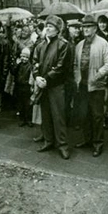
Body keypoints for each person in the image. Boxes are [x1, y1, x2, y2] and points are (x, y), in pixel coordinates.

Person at [73, 14, 108, 157]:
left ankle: (98, 144)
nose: (85, 29)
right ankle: (87, 140)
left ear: (95, 28)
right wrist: (77, 78)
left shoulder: (103, 43)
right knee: (84, 115)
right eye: (84, 27)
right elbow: (75, 65)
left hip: (96, 86)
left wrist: (98, 75)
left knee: (97, 116)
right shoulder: (79, 45)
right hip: (83, 86)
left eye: (89, 27)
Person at [33, 15, 71, 159]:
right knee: (46, 114)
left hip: (56, 86)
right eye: (46, 26)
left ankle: (62, 145)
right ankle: (48, 141)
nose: (47, 28)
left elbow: (61, 67)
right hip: (43, 84)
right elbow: (34, 62)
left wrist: (46, 78)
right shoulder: (40, 45)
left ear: (57, 30)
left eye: (51, 26)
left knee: (58, 116)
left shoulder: (63, 44)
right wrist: (37, 76)